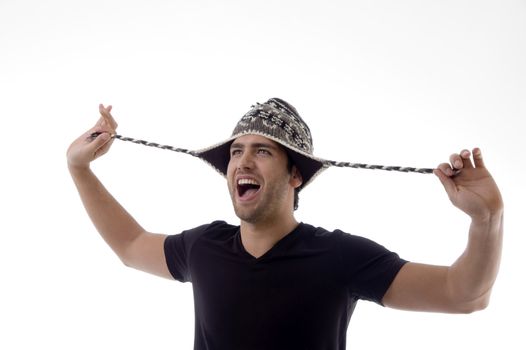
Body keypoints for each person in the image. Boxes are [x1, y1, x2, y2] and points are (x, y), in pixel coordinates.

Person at [67, 98, 503, 350]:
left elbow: (464, 295)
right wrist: (80, 169)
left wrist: (487, 219)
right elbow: (130, 245)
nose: (242, 161)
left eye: (262, 151)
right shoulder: (202, 247)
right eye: (236, 151)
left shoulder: (340, 257)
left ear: (296, 175)